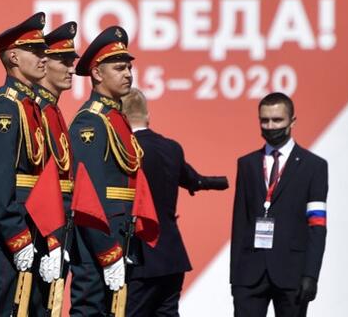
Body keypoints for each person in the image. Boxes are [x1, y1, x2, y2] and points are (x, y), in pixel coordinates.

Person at [0, 12, 62, 315]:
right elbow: (0, 182)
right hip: (11, 232)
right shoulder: (5, 108)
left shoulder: (31, 107)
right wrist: (17, 236)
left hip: (35, 227)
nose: (43, 58)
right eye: (34, 51)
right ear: (12, 57)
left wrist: (49, 237)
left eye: (43, 51)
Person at [122, 87, 229, 317]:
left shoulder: (126, 149)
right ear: (147, 116)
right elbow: (192, 179)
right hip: (171, 256)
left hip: (140, 257)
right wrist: (216, 182)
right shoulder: (171, 148)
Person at [230, 92, 328, 317]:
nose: (270, 126)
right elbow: (239, 222)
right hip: (250, 277)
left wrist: (311, 275)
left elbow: (317, 224)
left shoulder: (314, 166)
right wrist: (235, 277)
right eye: (264, 120)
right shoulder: (247, 164)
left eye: (277, 120)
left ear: (292, 121)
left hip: (292, 274)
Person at [69, 25, 141, 316]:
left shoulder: (115, 118)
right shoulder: (92, 122)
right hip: (98, 241)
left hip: (121, 234)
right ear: (97, 73)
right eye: (120, 68)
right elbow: (90, 196)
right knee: (91, 309)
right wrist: (108, 252)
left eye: (129, 68)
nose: (128, 74)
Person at [34, 22, 78, 272]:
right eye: (63, 61)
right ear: (44, 62)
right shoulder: (37, 110)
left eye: (71, 62)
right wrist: (51, 237)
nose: (70, 69)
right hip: (41, 227)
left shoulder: (52, 110)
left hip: (57, 224)